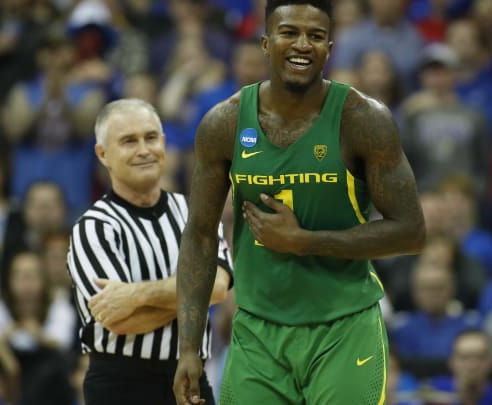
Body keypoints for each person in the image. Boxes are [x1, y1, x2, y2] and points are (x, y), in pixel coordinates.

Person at [173, 1, 426, 404]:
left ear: (330, 47)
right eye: (289, 32)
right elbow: (200, 236)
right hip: (257, 331)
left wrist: (305, 241)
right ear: (265, 42)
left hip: (344, 328)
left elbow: (411, 232)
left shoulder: (363, 119)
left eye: (317, 36)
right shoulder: (224, 123)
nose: (303, 44)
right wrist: (189, 347)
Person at [67, 99, 233, 405]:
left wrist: (135, 296)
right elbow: (119, 321)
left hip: (192, 377)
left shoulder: (195, 213)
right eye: (129, 141)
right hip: (120, 385)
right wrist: (195, 298)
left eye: (151, 137)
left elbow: (220, 286)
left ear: (164, 144)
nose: (144, 149)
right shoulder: (93, 227)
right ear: (103, 154)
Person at [426, 330, 492, 405]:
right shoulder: (432, 393)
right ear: (452, 362)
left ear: (491, 363)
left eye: (480, 357)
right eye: (464, 358)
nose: (472, 365)